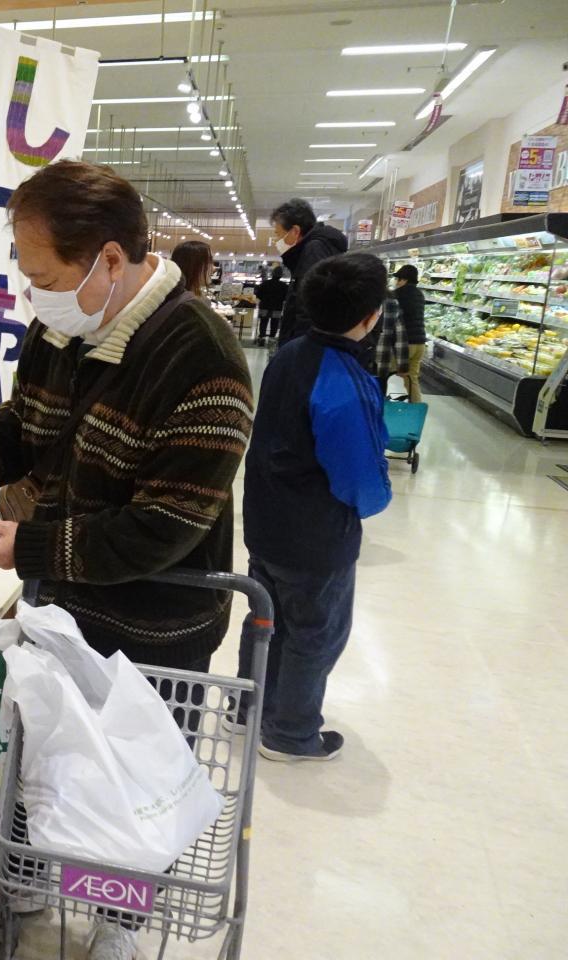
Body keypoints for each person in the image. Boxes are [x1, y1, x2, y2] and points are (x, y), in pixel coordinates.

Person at [0, 160, 253, 960]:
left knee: (132, 775)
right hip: (63, 598)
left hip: (157, 618)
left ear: (109, 259)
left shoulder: (203, 359)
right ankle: (23, 873)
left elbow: (165, 526)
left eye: (44, 277)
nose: (35, 295)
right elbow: (25, 429)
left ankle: (121, 918)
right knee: (39, 747)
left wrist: (30, 545)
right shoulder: (64, 325)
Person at [239, 252, 393, 762]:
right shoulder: (345, 381)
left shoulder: (289, 355)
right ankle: (290, 734)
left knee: (265, 620)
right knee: (314, 631)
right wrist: (377, 500)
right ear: (370, 315)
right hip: (315, 535)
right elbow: (359, 477)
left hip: (266, 520)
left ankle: (248, 708)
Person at [270, 198, 348, 344]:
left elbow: (310, 306)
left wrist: (297, 349)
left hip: (306, 345)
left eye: (278, 234)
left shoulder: (314, 250)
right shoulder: (320, 247)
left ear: (295, 231)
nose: (276, 240)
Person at [392, 264, 427, 403]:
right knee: (412, 379)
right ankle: (415, 407)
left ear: (404, 279)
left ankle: (394, 409)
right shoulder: (420, 295)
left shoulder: (398, 294)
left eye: (398, 279)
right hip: (420, 344)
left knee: (395, 377)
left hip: (405, 344)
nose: (396, 282)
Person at [373, 296, 407, 396]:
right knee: (378, 396)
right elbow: (400, 336)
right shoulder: (391, 304)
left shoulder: (354, 298)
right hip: (381, 362)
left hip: (354, 360)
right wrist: (402, 366)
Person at [255, 265, 288, 345]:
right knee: (275, 323)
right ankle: (271, 338)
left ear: (272, 274)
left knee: (263, 321)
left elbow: (258, 294)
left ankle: (262, 337)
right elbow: (285, 297)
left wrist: (264, 298)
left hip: (264, 306)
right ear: (281, 275)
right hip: (277, 307)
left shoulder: (265, 283)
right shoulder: (284, 286)